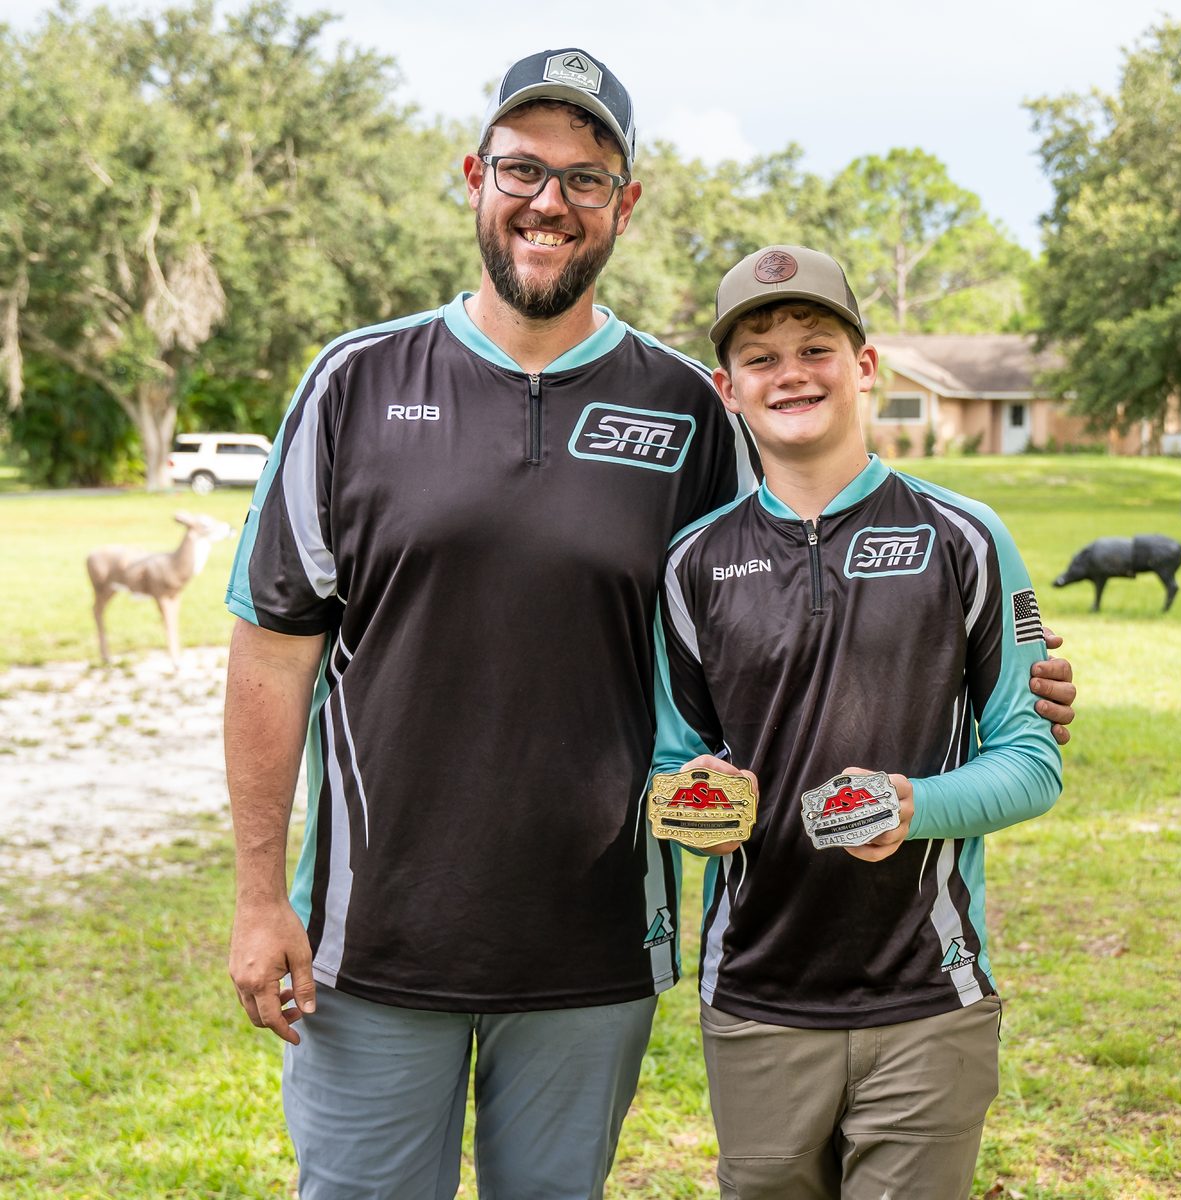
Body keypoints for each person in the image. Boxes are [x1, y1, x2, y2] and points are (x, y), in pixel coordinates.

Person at [221, 50, 1078, 1199]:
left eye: (586, 178)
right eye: (524, 169)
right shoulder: (356, 383)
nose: (549, 203)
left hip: (593, 951)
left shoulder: (686, 404)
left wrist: (998, 671)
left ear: (625, 205)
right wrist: (257, 894)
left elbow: (807, 547)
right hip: (370, 947)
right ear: (475, 177)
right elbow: (273, 653)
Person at [652, 245, 1063, 1199]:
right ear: (728, 389)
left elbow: (1031, 759)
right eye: (761, 356)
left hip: (929, 995)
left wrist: (911, 805)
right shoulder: (691, 564)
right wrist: (693, 806)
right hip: (756, 998)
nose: (790, 371)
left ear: (866, 366)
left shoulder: (964, 536)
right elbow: (675, 760)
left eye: (816, 346)